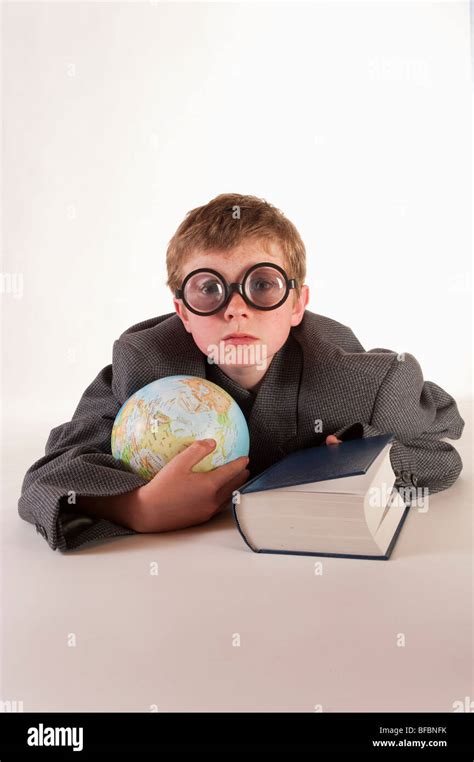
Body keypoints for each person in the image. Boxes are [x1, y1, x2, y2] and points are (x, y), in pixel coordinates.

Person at [18, 193, 465, 552]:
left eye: (262, 286)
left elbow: (442, 454)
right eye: (209, 289)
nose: (236, 310)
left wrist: (372, 459)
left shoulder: (357, 382)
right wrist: (138, 508)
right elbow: (47, 476)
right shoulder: (147, 363)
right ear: (182, 313)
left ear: (296, 304)